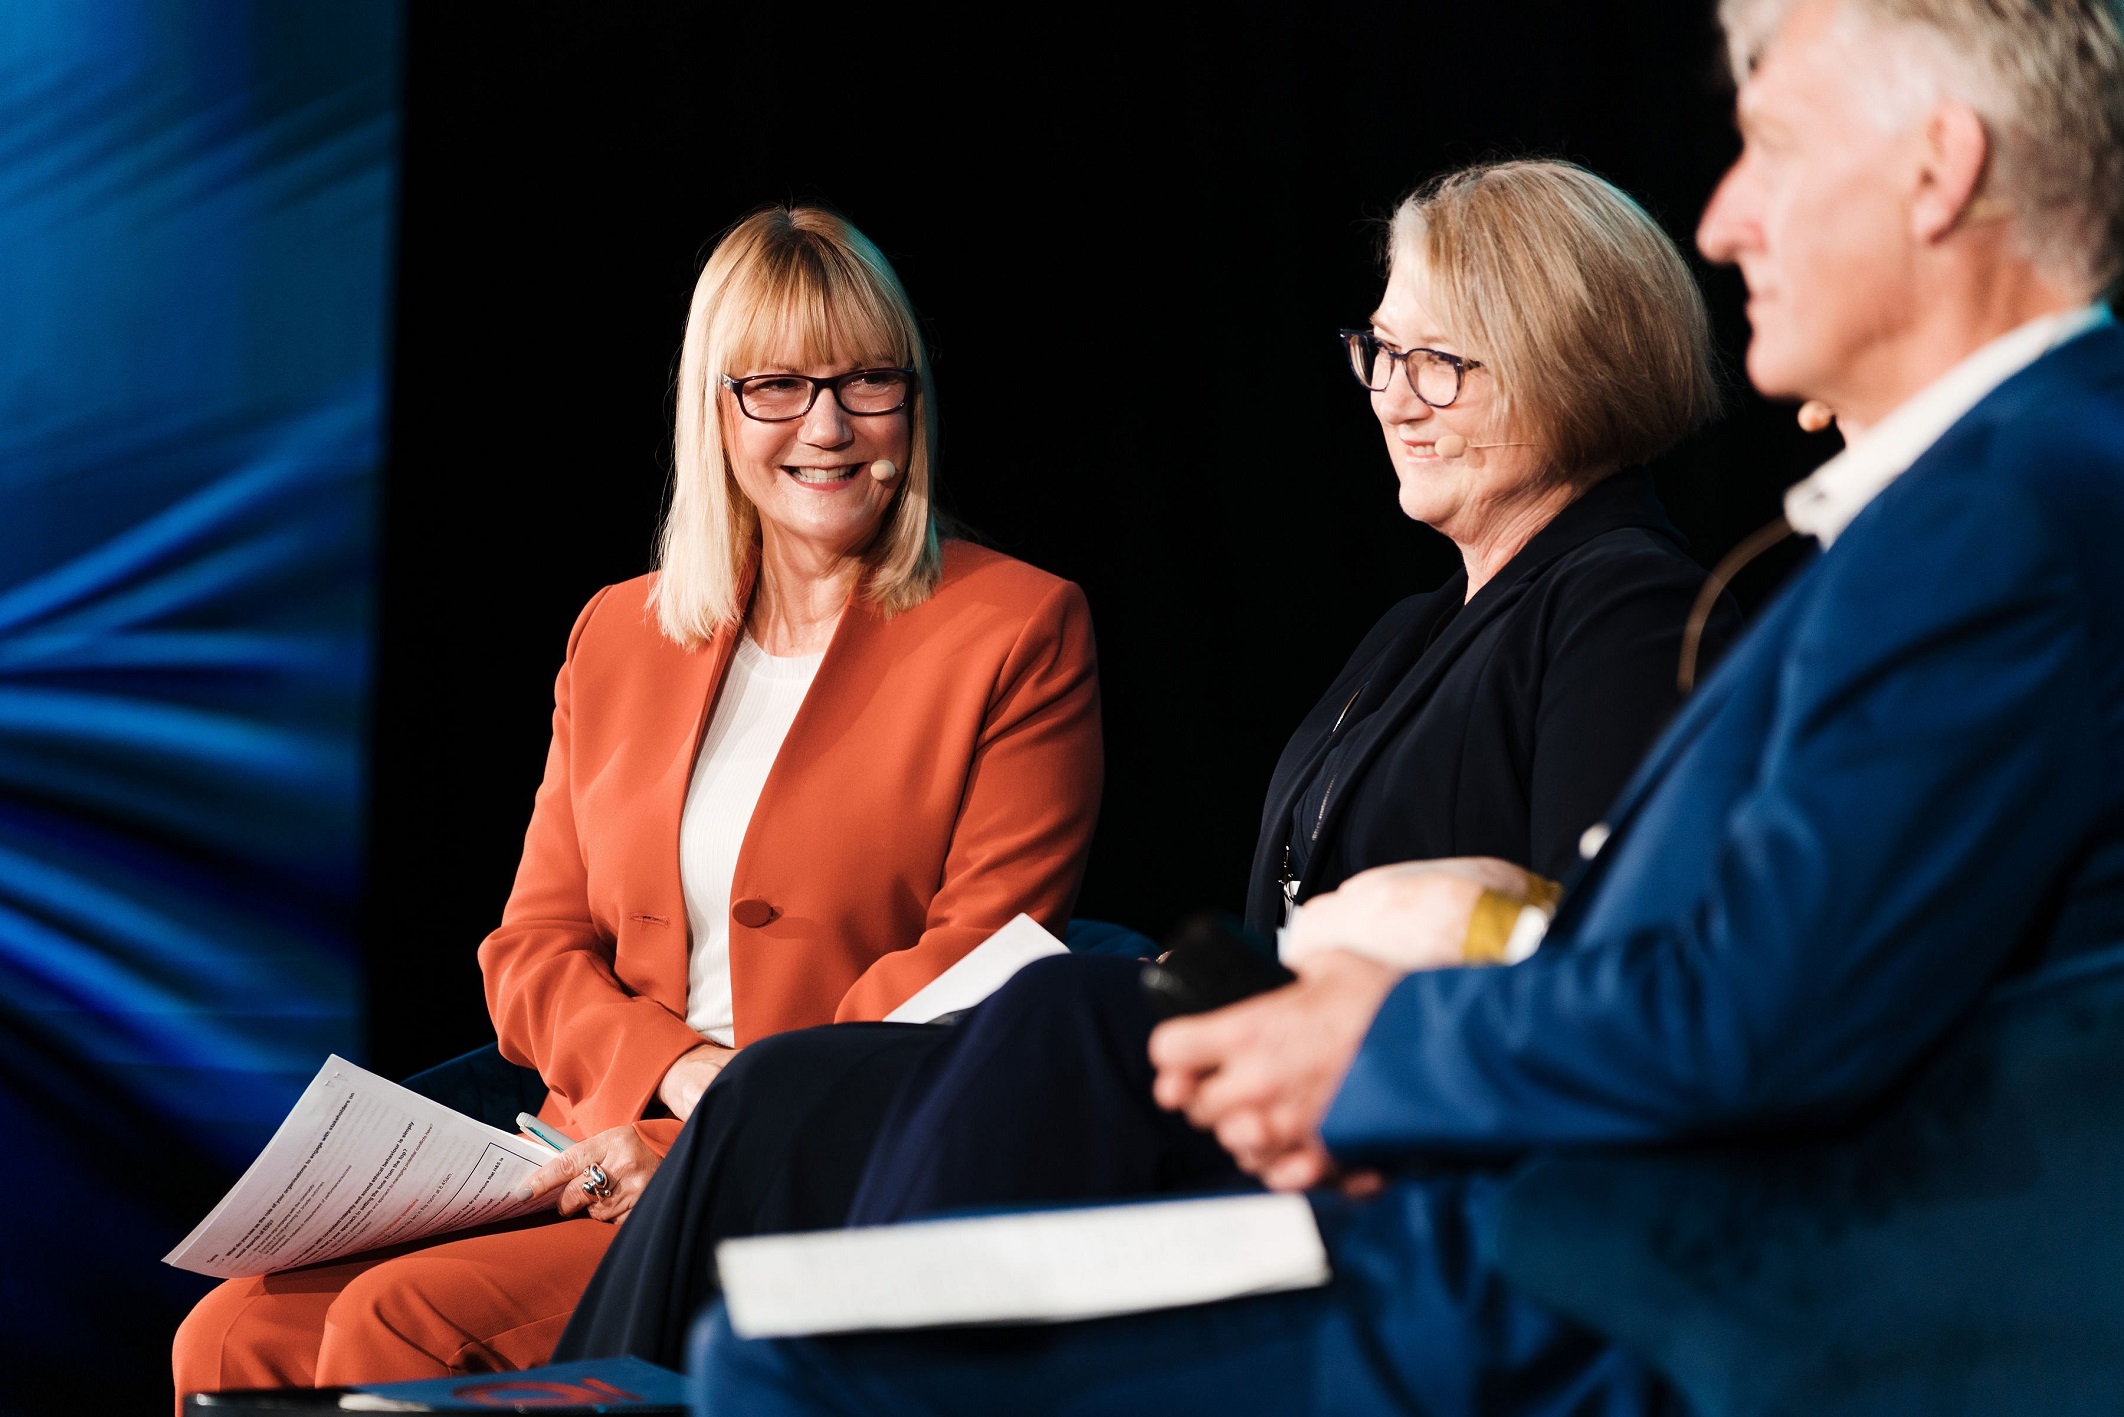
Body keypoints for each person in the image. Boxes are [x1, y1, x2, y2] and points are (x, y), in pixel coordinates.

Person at [691, 0, 2124, 1411]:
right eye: (1384, 351)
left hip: (1607, 1283)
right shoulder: (2005, 491)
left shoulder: (1997, 513)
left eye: (1774, 145)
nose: (1728, 218)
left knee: (795, 1356)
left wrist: (1380, 1034)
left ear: (1941, 168)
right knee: (839, 1207)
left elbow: (1740, 1014)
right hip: (1561, 1216)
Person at [559, 158, 1736, 1367]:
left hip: (1363, 1125)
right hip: (1260, 1070)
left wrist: (1406, 929)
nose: (1395, 399)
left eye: (1441, 362)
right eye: (1380, 353)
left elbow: (1593, 965)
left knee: (978, 1034)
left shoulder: (1625, 608)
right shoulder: (1420, 626)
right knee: (781, 1096)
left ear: (1577, 359)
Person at [169, 207, 1104, 1399]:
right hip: (589, 1144)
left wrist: (717, 1121)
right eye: (777, 385)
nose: (829, 426)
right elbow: (531, 948)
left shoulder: (1018, 626)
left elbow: (973, 959)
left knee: (401, 1322)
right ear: (714, 408)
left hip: (816, 1167)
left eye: (871, 382)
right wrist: (668, 1072)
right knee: (231, 1338)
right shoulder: (620, 629)